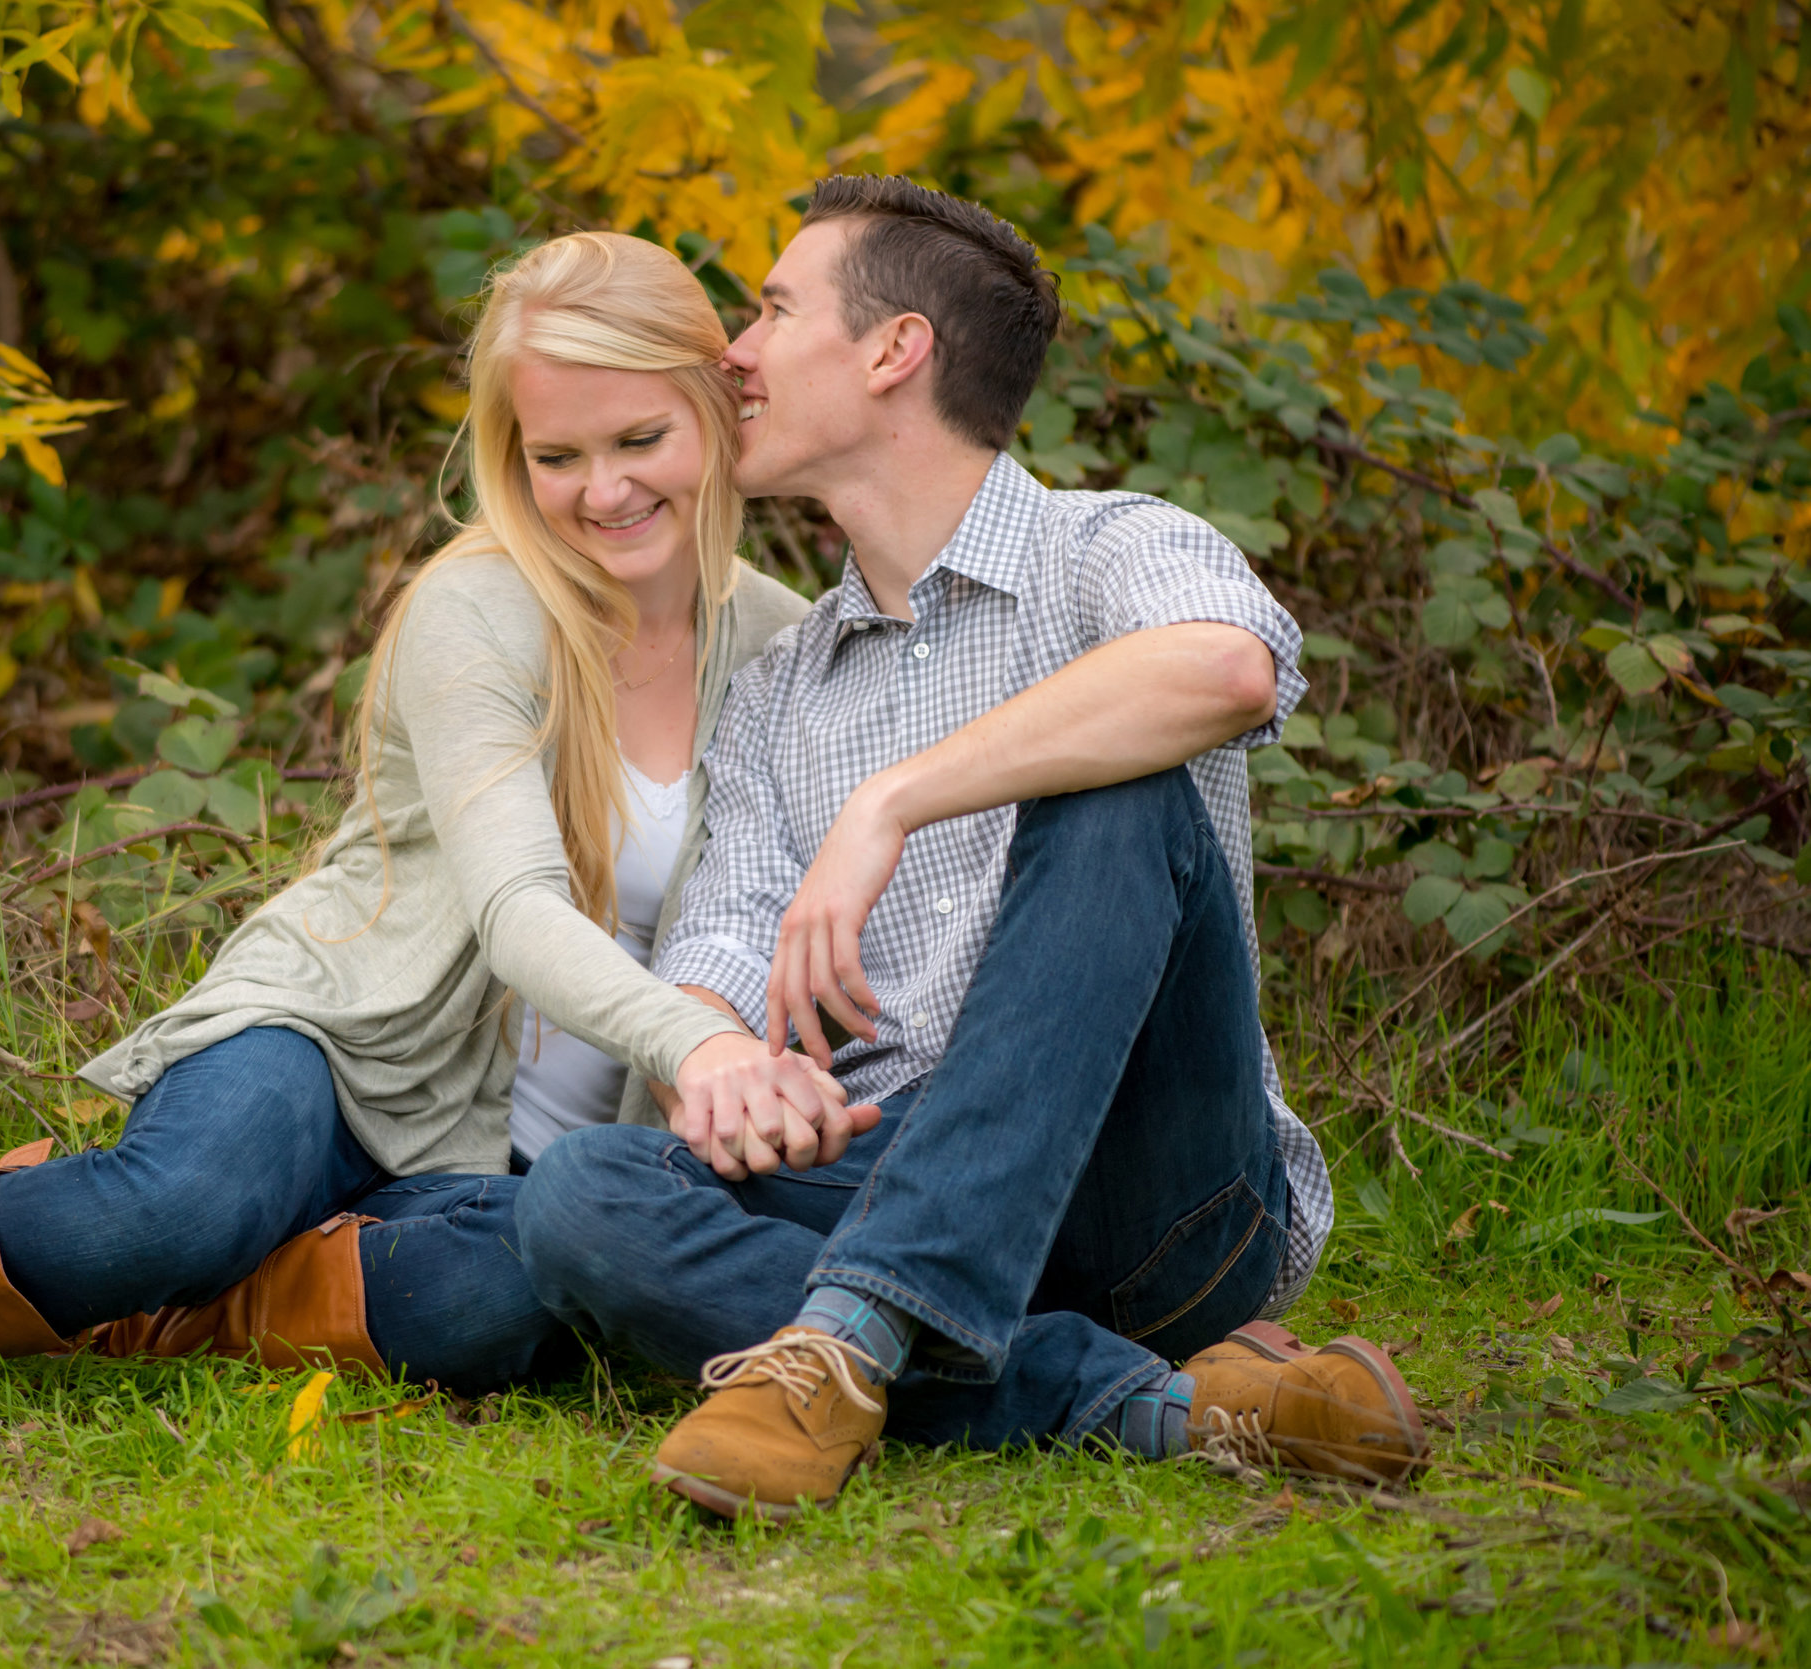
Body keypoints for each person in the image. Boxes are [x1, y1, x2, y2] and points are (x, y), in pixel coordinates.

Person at [0, 231, 873, 1398]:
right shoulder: (484, 607)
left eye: (641, 438)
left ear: (715, 411)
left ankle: (182, 1312)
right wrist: (699, 1047)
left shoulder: (779, 645)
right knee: (178, 1201)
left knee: (519, 1301)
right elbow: (519, 907)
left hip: (522, 1159)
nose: (603, 491)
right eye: (558, 454)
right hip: (339, 1043)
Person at [514, 177, 1429, 1520]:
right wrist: (732, 1065)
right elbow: (721, 935)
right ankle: (1169, 1405)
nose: (735, 351)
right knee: (586, 1194)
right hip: (887, 1163)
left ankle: (842, 1346)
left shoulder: (1109, 548)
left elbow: (1229, 669)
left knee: (1120, 788)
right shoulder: (781, 688)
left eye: (773, 308)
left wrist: (895, 800)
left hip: (1157, 1201)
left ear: (895, 350)